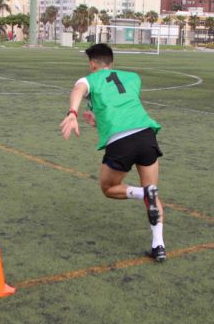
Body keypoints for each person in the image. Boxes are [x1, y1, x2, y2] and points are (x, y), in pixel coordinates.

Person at [59, 43, 166, 261]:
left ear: (92, 64)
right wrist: (97, 119)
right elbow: (120, 106)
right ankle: (159, 245)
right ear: (112, 62)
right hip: (146, 135)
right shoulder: (133, 78)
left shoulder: (89, 79)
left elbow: (78, 89)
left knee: (108, 188)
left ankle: (142, 193)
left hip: (121, 141)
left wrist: (72, 112)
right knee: (153, 192)